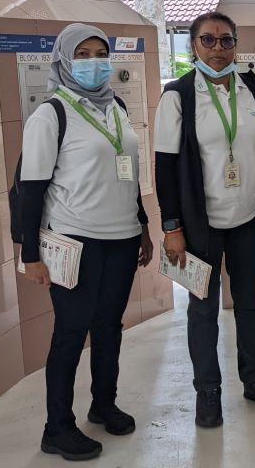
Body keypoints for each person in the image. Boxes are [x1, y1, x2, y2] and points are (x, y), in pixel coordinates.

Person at [20, 23, 154, 461]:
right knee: (71, 332)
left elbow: (128, 172)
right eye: (83, 54)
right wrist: (30, 255)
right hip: (75, 239)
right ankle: (57, 428)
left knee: (109, 327)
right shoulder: (51, 114)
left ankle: (103, 404)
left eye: (101, 53)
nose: (94, 62)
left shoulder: (116, 106)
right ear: (64, 60)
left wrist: (142, 225)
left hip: (121, 237)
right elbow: (31, 189)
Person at [154, 11, 255, 428]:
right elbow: (165, 168)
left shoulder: (252, 88)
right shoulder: (178, 96)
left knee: (250, 304)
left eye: (226, 40)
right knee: (203, 310)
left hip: (247, 220)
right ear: (194, 46)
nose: (218, 48)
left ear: (236, 44)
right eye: (208, 40)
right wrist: (172, 228)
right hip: (200, 228)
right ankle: (208, 391)